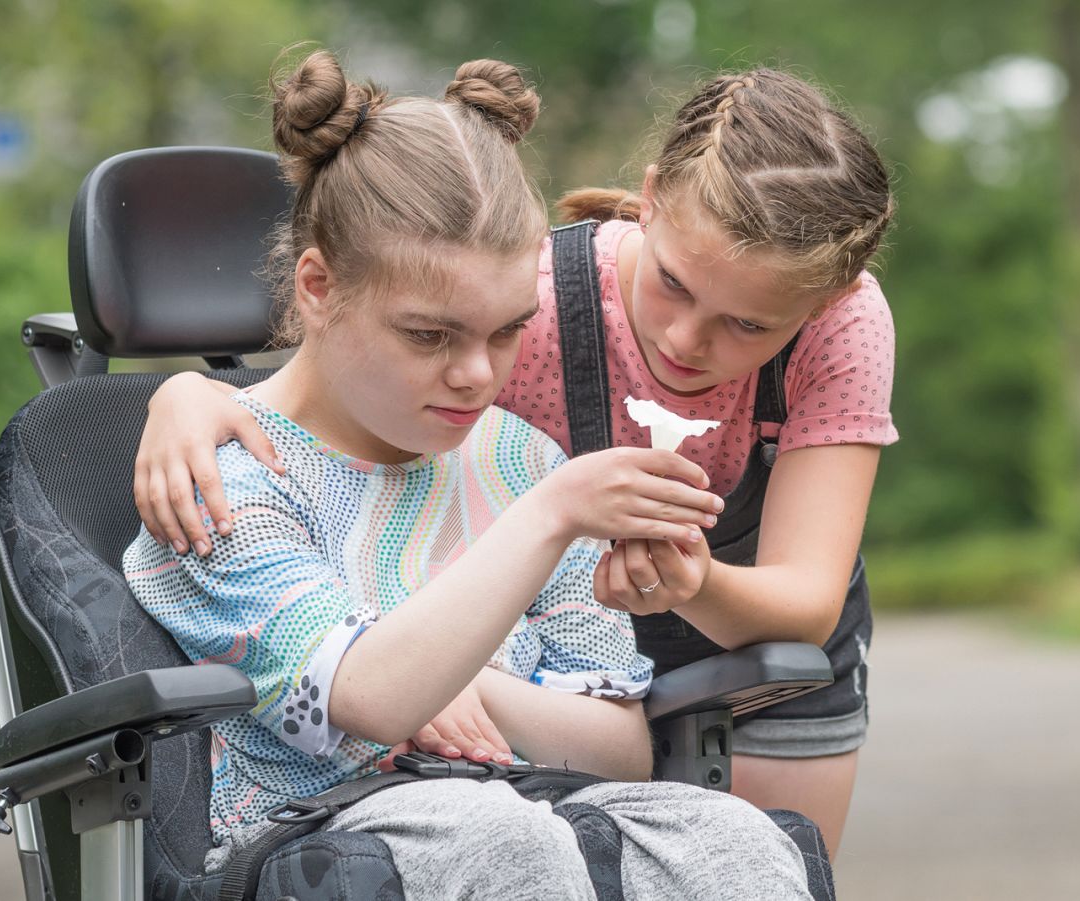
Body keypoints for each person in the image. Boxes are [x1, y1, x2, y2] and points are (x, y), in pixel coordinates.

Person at [134, 62, 898, 855]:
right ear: (650, 202)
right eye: (437, 336)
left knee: (747, 845)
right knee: (508, 838)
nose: (684, 341)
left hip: (662, 671)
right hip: (377, 823)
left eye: (505, 333)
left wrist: (497, 661)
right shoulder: (520, 313)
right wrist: (181, 394)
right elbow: (343, 371)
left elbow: (628, 745)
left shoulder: (521, 457)